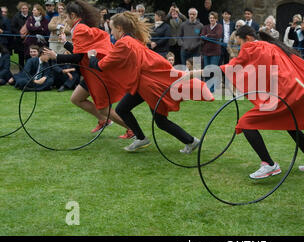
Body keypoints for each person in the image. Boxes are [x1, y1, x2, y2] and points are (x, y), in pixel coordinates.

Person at [189, 26, 304, 179]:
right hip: (294, 90)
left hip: (283, 94)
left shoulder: (252, 47)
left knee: (245, 123)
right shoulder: (272, 45)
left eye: (239, 43)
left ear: (247, 39)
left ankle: (269, 164)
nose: (239, 47)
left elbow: (230, 68)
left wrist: (194, 73)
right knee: (291, 126)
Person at [86, 11, 214, 152]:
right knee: (123, 109)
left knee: (160, 121)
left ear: (120, 28)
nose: (111, 33)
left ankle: (191, 141)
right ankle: (141, 138)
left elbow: (101, 66)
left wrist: (92, 56)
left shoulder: (124, 44)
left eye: (112, 29)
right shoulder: (132, 40)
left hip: (149, 86)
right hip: (142, 84)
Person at [44, 0, 131, 138]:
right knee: (76, 98)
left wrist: (56, 56)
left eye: (66, 17)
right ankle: (104, 120)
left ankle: (132, 129)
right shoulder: (80, 27)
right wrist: (66, 44)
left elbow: (78, 57)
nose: (65, 20)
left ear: (73, 15)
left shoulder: (79, 29)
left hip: (96, 73)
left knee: (103, 107)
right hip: (90, 72)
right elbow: (83, 52)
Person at [10, 2, 31, 68]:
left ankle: (29, 71)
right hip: (20, 40)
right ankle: (21, 71)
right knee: (21, 57)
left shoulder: (31, 16)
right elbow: (13, 27)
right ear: (20, 9)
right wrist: (20, 34)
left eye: (26, 8)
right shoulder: (16, 16)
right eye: (23, 8)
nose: (24, 10)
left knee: (29, 56)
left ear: (28, 9)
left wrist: (27, 33)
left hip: (29, 39)